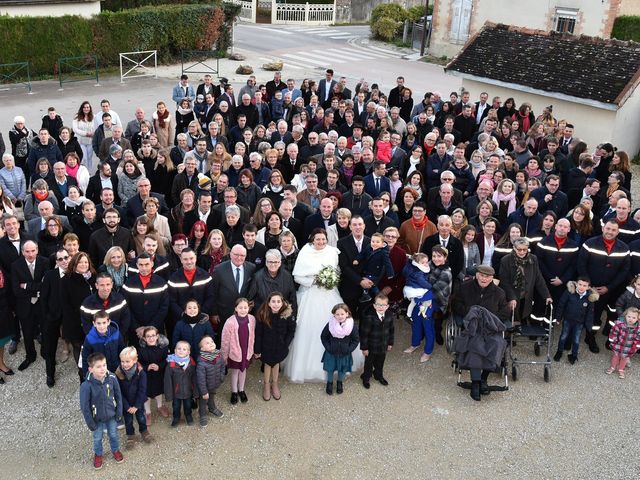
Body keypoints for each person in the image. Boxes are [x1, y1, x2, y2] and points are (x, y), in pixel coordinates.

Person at [79, 352, 124, 470]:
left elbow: (119, 396)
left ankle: (115, 450)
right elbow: (84, 407)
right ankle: (98, 454)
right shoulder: (86, 386)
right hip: (96, 418)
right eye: (98, 366)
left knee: (113, 434)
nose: (102, 368)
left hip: (111, 415)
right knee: (97, 438)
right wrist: (90, 423)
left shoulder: (112, 378)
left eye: (104, 365)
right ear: (91, 369)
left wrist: (119, 412)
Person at [11, 240, 49, 371]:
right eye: (27, 251)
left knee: (45, 330)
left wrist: (26, 285)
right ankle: (30, 356)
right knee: (27, 333)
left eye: (33, 251)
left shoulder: (45, 262)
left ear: (37, 250)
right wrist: (37, 291)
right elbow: (16, 290)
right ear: (22, 252)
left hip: (42, 304)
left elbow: (46, 286)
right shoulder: (15, 266)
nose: (30, 254)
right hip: (25, 305)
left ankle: (45, 353)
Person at [499, 237, 552, 325]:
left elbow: (538, 278)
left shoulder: (533, 259)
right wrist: (511, 297)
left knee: (523, 313)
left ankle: (520, 326)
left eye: (525, 249)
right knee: (512, 316)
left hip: (526, 294)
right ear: (514, 248)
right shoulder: (506, 260)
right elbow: (504, 281)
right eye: (519, 249)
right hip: (512, 294)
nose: (522, 252)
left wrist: (546, 295)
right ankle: (511, 334)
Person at [254, 292, 296, 401]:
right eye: (273, 301)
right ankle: (266, 384)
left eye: (278, 301)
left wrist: (285, 344)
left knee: (276, 363)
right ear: (268, 303)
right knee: (267, 363)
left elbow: (291, 331)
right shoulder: (262, 314)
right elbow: (258, 334)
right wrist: (257, 349)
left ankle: (275, 383)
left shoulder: (287, 314)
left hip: (280, 346)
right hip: (266, 346)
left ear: (282, 303)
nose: (276, 304)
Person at [553, 278, 598, 365]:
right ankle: (559, 352)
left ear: (588, 287)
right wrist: (558, 318)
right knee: (563, 336)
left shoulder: (590, 298)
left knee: (576, 340)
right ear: (576, 284)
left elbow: (590, 313)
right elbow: (561, 305)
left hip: (579, 323)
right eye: (580, 284)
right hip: (567, 320)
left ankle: (574, 355)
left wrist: (589, 325)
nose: (581, 287)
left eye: (584, 285)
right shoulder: (569, 292)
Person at [402, 253, 437, 362]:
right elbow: (406, 270)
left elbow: (437, 289)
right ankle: (415, 344)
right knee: (416, 324)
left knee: (428, 327)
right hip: (416, 300)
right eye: (423, 263)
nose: (426, 264)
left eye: (427, 262)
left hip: (428, 302)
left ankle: (428, 351)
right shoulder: (414, 269)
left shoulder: (439, 270)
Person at [116, 346, 152, 449]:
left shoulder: (141, 373)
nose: (124, 364)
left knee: (141, 418)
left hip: (138, 402)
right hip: (126, 403)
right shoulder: (118, 373)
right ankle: (131, 436)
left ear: (135, 360)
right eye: (122, 361)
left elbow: (142, 390)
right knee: (128, 421)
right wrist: (127, 406)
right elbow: (118, 392)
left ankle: (144, 431)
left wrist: (136, 405)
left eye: (127, 361)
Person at [221, 298, 255, 404]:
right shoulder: (230, 321)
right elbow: (225, 340)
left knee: (243, 370)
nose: (243, 310)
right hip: (235, 352)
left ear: (248, 308)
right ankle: (234, 392)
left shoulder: (252, 319)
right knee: (235, 371)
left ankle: (241, 390)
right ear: (236, 308)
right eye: (240, 307)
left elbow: (253, 335)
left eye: (245, 307)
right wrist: (224, 355)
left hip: (246, 350)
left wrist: (253, 350)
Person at [320, 303, 359, 396]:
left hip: (345, 353)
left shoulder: (352, 326)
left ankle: (339, 382)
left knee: (342, 369)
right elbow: (323, 337)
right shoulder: (330, 324)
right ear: (334, 315)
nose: (340, 316)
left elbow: (356, 339)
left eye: (342, 314)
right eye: (337, 314)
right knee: (330, 368)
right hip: (331, 352)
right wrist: (328, 347)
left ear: (347, 313)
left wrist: (349, 349)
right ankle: (329, 383)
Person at [359, 293, 394, 389]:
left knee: (380, 362)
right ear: (374, 305)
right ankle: (366, 377)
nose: (381, 307)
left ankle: (378, 375)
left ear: (387, 306)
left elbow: (391, 330)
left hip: (383, 345)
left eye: (383, 305)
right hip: (371, 346)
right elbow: (364, 334)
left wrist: (390, 343)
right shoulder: (369, 317)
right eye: (378, 304)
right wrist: (364, 348)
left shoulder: (390, 316)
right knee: (369, 363)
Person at [138, 326, 170, 424]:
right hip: (145, 375)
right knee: (146, 392)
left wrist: (159, 366)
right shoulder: (140, 349)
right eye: (148, 336)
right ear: (144, 338)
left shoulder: (163, 347)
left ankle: (160, 406)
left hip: (158, 373)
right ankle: (147, 412)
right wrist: (146, 367)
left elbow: (166, 360)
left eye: (153, 336)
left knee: (158, 390)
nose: (151, 338)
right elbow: (138, 362)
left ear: (157, 336)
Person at [81, 310, 125, 379]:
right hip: (100, 372)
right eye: (98, 323)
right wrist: (86, 376)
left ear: (108, 322)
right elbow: (85, 358)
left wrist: (122, 367)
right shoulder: (89, 338)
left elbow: (122, 350)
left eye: (104, 323)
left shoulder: (116, 333)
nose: (102, 326)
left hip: (116, 369)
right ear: (94, 324)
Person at [164, 340, 196, 427]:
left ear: (188, 352)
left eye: (184, 349)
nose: (181, 350)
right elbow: (167, 381)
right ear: (175, 350)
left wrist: (195, 391)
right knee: (176, 406)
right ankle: (176, 417)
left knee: (188, 405)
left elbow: (194, 378)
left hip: (188, 391)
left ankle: (188, 415)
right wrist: (169, 395)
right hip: (176, 392)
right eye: (179, 348)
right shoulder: (171, 365)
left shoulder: (191, 363)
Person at [195, 335, 225, 425]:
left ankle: (212, 408)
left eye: (212, 341)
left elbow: (223, 367)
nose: (211, 343)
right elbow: (200, 379)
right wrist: (204, 392)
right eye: (207, 343)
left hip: (215, 383)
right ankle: (202, 414)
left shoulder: (218, 355)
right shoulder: (201, 362)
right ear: (202, 349)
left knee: (212, 395)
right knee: (203, 400)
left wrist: (221, 377)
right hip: (204, 387)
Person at [358, 232, 394, 303]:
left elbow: (388, 263)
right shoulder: (369, 247)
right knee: (373, 286)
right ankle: (379, 296)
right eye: (373, 241)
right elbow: (362, 253)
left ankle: (366, 295)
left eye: (377, 242)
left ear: (382, 243)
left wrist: (390, 274)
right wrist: (357, 259)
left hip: (375, 272)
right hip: (368, 270)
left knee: (367, 282)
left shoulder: (383, 252)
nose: (374, 243)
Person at [607, 307, 640, 379]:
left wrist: (637, 346)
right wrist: (613, 340)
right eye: (629, 316)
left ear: (638, 319)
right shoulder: (620, 325)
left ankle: (621, 369)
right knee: (615, 356)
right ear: (625, 316)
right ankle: (612, 367)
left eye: (634, 318)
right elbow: (614, 332)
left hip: (629, 347)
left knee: (624, 359)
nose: (631, 319)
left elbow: (638, 338)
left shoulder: (638, 328)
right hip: (618, 345)